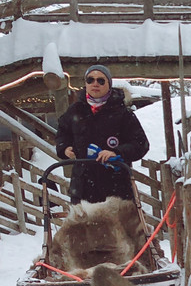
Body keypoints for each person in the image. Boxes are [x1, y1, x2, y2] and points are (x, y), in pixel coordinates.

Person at [55, 63, 150, 204]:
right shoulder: (75, 111)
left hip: (116, 190)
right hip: (82, 189)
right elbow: (62, 133)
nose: (95, 84)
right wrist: (64, 148)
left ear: (109, 84)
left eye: (101, 80)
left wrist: (117, 152)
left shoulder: (123, 114)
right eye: (90, 80)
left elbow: (141, 144)